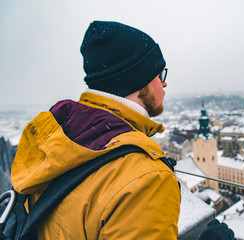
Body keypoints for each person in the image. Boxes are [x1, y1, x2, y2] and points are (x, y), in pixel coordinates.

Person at [10, 21, 180, 239]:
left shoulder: (60, 134)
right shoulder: (147, 177)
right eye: (159, 75)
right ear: (139, 80)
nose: (164, 84)